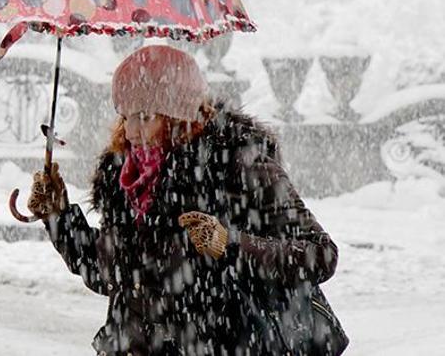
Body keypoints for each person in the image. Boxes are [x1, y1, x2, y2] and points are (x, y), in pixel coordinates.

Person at [27, 45, 348, 356]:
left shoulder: (237, 164)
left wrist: (230, 245)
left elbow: (320, 255)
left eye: (146, 116)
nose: (132, 131)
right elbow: (110, 275)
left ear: (179, 116)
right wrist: (59, 217)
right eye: (126, 117)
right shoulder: (123, 176)